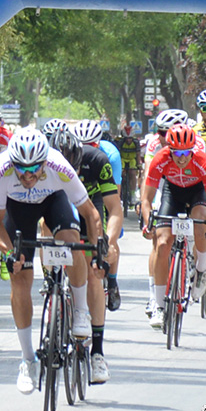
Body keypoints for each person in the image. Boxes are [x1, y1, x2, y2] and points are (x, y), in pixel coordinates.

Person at [0, 128, 105, 395]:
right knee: (20, 279)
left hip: (52, 202)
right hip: (17, 212)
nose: (27, 176)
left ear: (44, 162)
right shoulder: (0, 171)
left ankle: (81, 311)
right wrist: (8, 253)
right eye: (21, 169)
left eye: (34, 169)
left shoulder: (58, 166)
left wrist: (96, 252)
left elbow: (90, 213)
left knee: (71, 239)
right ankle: (28, 360)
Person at [48, 127, 122, 384]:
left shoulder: (97, 161)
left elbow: (114, 209)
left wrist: (106, 244)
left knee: (94, 272)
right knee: (54, 252)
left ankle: (97, 353)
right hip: (59, 212)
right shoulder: (43, 166)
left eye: (74, 166)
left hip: (91, 213)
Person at [139, 124, 206, 329]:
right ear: (169, 150)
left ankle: (202, 268)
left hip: (197, 192)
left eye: (186, 153)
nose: (182, 158)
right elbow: (146, 199)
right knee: (163, 243)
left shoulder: (203, 162)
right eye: (177, 153)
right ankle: (158, 304)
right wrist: (148, 223)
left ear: (193, 149)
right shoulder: (160, 159)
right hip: (172, 193)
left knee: (201, 223)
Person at [73, 119, 124, 313]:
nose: (88, 151)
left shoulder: (109, 154)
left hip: (97, 193)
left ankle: (111, 283)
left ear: (99, 143)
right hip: (74, 196)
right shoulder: (67, 153)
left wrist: (108, 239)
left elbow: (114, 199)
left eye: (92, 146)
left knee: (106, 235)